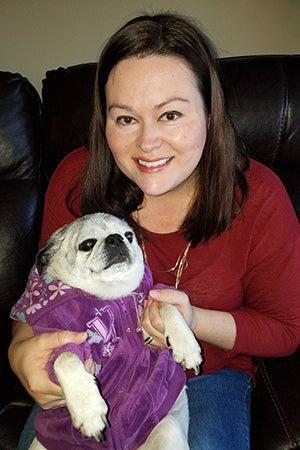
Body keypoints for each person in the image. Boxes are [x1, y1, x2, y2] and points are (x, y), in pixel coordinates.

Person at [8, 12, 300, 450]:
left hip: (205, 374)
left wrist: (195, 321)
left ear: (209, 111)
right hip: (98, 368)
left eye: (170, 114)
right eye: (125, 119)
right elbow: (41, 298)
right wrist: (19, 354)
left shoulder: (257, 196)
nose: (148, 142)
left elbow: (286, 330)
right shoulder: (76, 180)